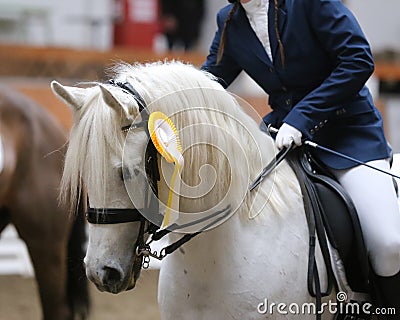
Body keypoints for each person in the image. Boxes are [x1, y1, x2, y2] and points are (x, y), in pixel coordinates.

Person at [202, 0, 400, 317]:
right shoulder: (229, 20)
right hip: (283, 140)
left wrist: (302, 117)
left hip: (348, 136)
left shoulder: (312, 3)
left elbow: (357, 60)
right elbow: (209, 81)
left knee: (388, 244)